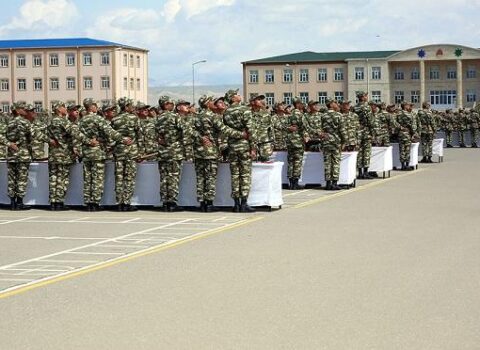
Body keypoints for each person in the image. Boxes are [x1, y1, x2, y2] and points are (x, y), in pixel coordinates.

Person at [194, 95, 247, 212]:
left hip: (198, 151)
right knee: (210, 177)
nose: (214, 103)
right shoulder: (212, 116)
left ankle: (202, 203)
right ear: (207, 104)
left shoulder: (196, 116)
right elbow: (224, 129)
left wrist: (200, 138)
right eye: (211, 101)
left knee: (200, 178)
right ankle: (209, 203)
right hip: (210, 151)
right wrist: (241, 135)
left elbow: (191, 131)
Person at [78, 98, 131, 211]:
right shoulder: (98, 119)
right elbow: (110, 132)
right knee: (97, 178)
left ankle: (88, 202)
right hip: (97, 152)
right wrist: (123, 139)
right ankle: (95, 202)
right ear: (91, 107)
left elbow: (78, 135)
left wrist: (87, 141)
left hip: (86, 152)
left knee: (88, 178)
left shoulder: (81, 120)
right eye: (95, 105)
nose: (96, 107)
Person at [47, 101, 90, 211]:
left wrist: (50, 141)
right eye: (63, 107)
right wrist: (89, 141)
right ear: (58, 109)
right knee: (62, 178)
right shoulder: (63, 121)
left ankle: (52, 202)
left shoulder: (50, 121)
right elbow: (75, 133)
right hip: (63, 154)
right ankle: (59, 202)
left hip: (53, 154)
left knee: (53, 178)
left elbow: (40, 134)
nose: (65, 109)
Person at [223, 89, 257, 212]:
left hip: (232, 146)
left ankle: (236, 204)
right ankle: (244, 203)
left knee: (235, 175)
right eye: (236, 94)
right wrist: (253, 147)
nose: (239, 95)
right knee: (245, 174)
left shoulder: (226, 112)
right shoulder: (244, 110)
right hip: (244, 146)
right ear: (232, 98)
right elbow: (250, 130)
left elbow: (225, 130)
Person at [156, 98, 192, 212]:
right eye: (170, 103)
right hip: (174, 151)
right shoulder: (175, 117)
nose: (172, 105)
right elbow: (186, 131)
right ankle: (172, 202)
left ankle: (165, 202)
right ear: (165, 105)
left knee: (164, 177)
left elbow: (154, 135)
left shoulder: (158, 118)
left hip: (162, 152)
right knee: (173, 177)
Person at [111, 98, 142, 211]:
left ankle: (119, 203)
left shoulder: (115, 119)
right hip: (131, 152)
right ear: (126, 106)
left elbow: (111, 136)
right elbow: (139, 135)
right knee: (129, 177)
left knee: (119, 178)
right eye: (131, 105)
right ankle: (127, 203)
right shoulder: (134, 118)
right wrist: (140, 151)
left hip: (119, 152)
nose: (132, 107)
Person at [5, 102, 33, 210]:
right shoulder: (25, 122)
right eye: (22, 108)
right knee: (22, 178)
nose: (24, 109)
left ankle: (12, 202)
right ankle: (20, 203)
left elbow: (2, 136)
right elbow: (31, 137)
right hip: (23, 154)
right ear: (17, 111)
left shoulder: (9, 122)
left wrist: (9, 144)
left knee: (12, 179)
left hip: (11, 154)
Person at [321, 98, 347, 190]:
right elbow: (342, 130)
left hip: (326, 142)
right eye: (335, 102)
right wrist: (344, 141)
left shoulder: (323, 116)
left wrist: (322, 135)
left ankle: (328, 183)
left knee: (327, 163)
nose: (336, 104)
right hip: (336, 142)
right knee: (335, 162)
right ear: (331, 104)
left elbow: (319, 129)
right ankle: (334, 183)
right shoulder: (338, 115)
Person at [285, 97, 307, 189]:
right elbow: (304, 126)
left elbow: (284, 126)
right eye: (301, 103)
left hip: (290, 141)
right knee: (297, 162)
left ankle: (290, 183)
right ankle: (295, 183)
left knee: (290, 161)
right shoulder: (300, 115)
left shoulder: (289, 114)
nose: (302, 105)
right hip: (297, 141)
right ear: (297, 104)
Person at [354, 91, 377, 179]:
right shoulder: (366, 107)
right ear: (362, 97)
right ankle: (366, 172)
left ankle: (360, 173)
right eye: (365, 96)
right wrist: (373, 133)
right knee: (366, 152)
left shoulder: (355, 107)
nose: (367, 97)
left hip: (358, 132)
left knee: (359, 153)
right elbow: (370, 121)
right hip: (366, 131)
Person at [251, 94, 274, 162]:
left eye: (261, 99)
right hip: (252, 144)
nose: (261, 101)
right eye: (258, 100)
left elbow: (270, 128)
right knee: (252, 165)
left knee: (266, 165)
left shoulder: (266, 113)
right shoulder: (247, 114)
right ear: (252, 102)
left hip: (265, 143)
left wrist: (272, 143)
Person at [396, 101, 417, 170]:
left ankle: (402, 165)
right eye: (408, 105)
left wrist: (400, 128)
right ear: (405, 106)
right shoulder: (408, 114)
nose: (409, 106)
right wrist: (413, 133)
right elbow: (412, 125)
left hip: (400, 133)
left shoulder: (398, 114)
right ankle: (407, 165)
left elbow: (395, 123)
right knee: (407, 149)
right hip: (407, 133)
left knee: (401, 149)